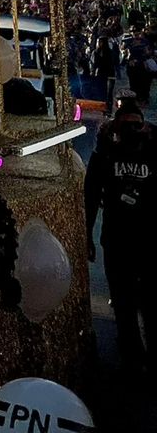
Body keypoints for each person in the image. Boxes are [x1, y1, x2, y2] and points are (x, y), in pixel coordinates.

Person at [84, 95, 157, 364]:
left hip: (148, 240)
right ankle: (132, 356)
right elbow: (91, 194)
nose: (131, 132)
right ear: (116, 127)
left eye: (136, 126)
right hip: (117, 239)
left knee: (147, 302)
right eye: (126, 126)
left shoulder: (152, 149)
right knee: (124, 302)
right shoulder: (106, 152)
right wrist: (87, 234)